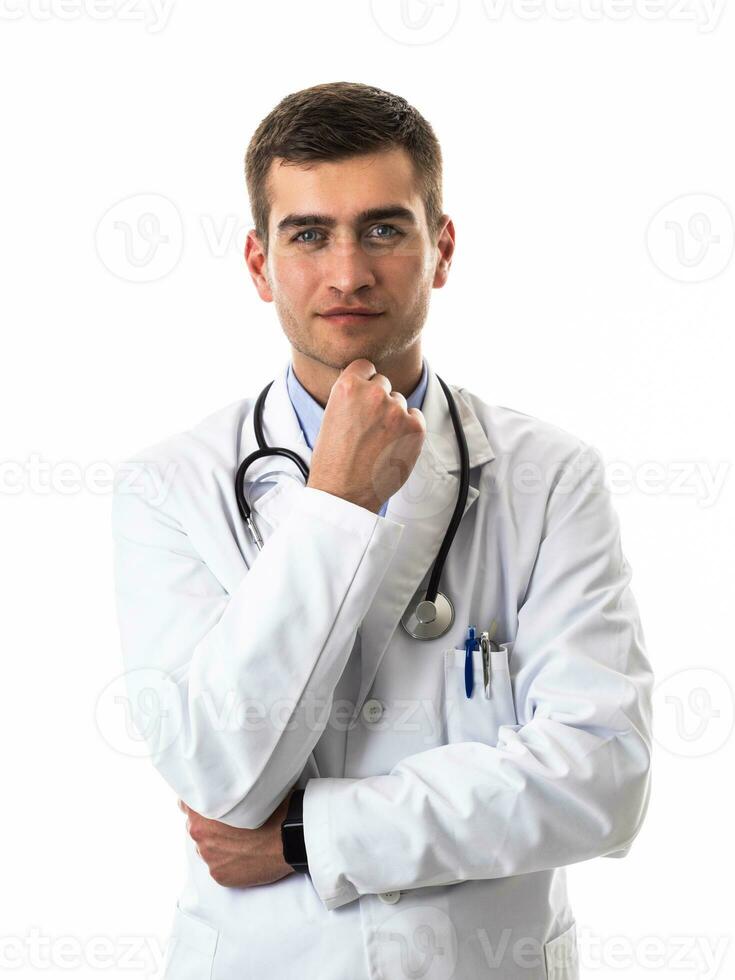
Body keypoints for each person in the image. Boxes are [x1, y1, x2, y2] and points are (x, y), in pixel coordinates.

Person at [111, 81, 653, 980]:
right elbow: (215, 771)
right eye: (308, 233)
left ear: (440, 250)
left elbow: (604, 780)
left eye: (384, 229)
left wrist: (304, 835)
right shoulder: (170, 485)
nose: (348, 272)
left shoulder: (550, 475)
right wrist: (335, 504)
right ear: (258, 263)